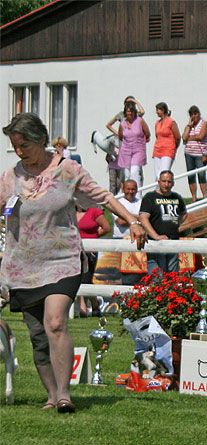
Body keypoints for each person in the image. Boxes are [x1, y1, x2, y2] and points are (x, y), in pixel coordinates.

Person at [1, 112, 146, 413]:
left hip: (61, 260)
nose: (19, 151)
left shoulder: (67, 170)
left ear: (41, 140)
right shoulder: (10, 177)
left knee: (55, 321)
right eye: (15, 145)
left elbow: (103, 197)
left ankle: (65, 394)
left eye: (24, 144)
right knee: (38, 335)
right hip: (22, 267)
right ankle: (52, 395)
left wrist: (132, 220)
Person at [138, 170, 186, 273]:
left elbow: (184, 214)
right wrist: (155, 236)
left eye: (169, 182)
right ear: (158, 182)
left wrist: (175, 225)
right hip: (155, 242)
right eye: (163, 181)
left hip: (173, 241)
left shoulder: (177, 197)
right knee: (157, 278)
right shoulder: (150, 197)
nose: (166, 184)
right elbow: (143, 218)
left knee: (172, 277)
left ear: (173, 183)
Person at [76, 203, 110, 317]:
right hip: (74, 250)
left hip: (90, 251)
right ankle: (94, 305)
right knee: (77, 278)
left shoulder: (94, 211)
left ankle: (83, 309)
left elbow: (106, 227)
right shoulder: (70, 211)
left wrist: (93, 238)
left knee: (86, 278)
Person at [114, 179, 145, 285]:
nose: (131, 191)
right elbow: (120, 221)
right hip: (121, 240)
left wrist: (128, 216)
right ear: (123, 189)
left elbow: (146, 219)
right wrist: (138, 218)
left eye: (133, 189)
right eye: (128, 189)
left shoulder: (141, 202)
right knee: (121, 273)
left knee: (137, 273)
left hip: (138, 241)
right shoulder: (117, 202)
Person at [117, 101, 150, 188]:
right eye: (128, 111)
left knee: (135, 171)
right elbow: (120, 136)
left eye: (131, 111)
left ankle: (138, 195)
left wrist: (141, 142)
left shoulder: (140, 121)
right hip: (126, 150)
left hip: (138, 150)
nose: (129, 113)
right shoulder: (122, 123)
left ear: (134, 112)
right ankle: (128, 195)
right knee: (127, 174)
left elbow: (147, 133)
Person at [182, 105, 207, 202]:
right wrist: (189, 126)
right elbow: (183, 137)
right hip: (189, 153)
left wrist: (189, 138)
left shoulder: (204, 123)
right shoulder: (189, 126)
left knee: (201, 175)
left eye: (195, 114)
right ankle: (194, 197)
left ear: (198, 114)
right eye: (191, 115)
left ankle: (204, 197)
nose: (193, 116)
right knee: (191, 176)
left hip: (199, 154)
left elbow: (200, 136)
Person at [152, 102, 180, 181]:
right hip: (157, 150)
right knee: (157, 175)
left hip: (168, 149)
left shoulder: (171, 121)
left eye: (158, 110)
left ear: (163, 110)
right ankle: (157, 191)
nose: (156, 112)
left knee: (164, 173)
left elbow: (177, 137)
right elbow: (157, 136)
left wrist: (174, 148)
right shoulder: (157, 123)